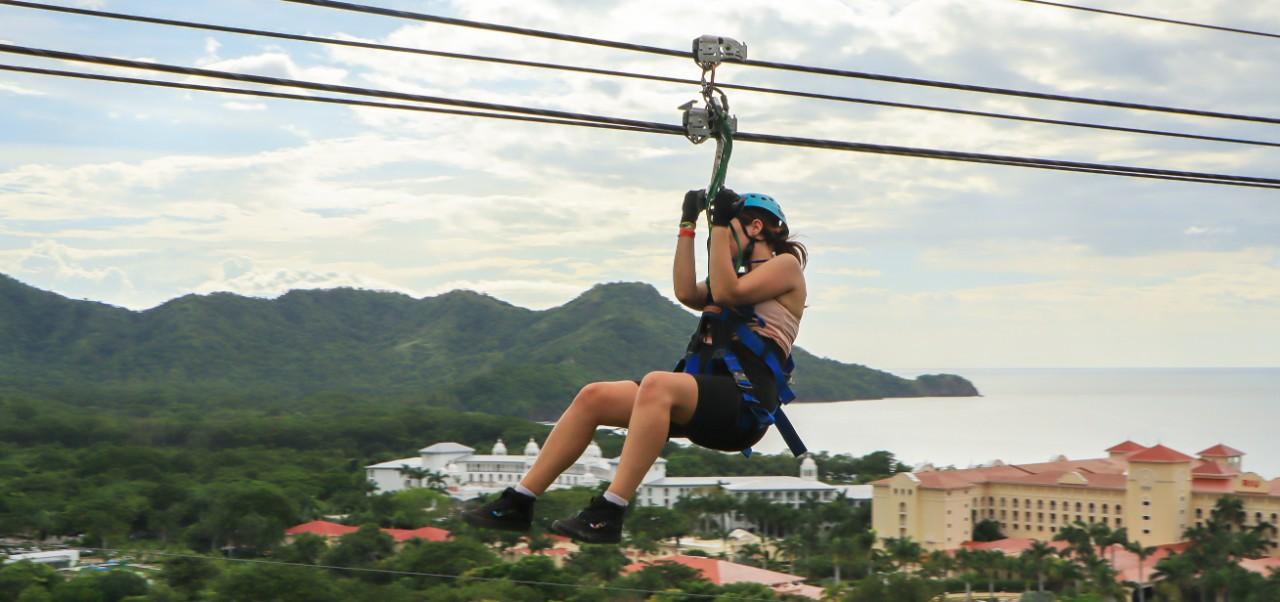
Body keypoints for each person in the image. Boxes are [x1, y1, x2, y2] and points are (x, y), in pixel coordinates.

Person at [461, 188, 807, 544]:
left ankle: (610, 511)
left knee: (657, 385)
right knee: (593, 397)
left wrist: (717, 224)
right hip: (709, 398)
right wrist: (687, 226)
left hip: (744, 406)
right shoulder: (736, 278)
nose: (719, 241)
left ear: (754, 228)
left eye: (726, 230)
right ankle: (520, 501)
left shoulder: (784, 266)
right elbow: (687, 292)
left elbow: (728, 292)